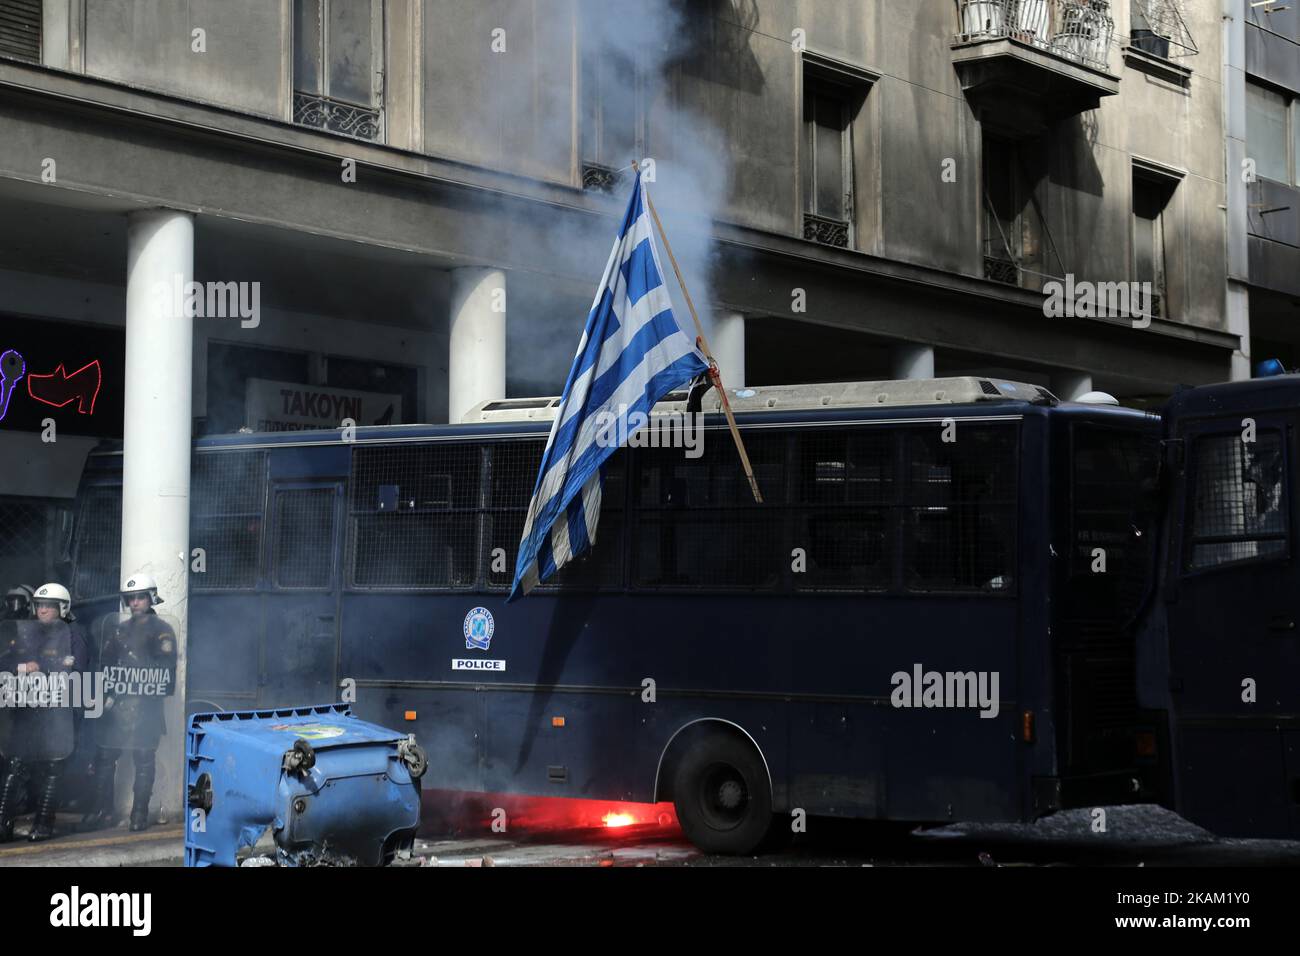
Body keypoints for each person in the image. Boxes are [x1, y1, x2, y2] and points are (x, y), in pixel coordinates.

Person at [81, 573, 176, 833]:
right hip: (118, 706)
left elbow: (166, 674)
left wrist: (138, 669)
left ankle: (139, 813)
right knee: (104, 755)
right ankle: (103, 811)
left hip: (146, 707)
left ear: (151, 598)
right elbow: (106, 663)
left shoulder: (162, 631)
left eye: (140, 597)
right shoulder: (119, 630)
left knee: (144, 758)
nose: (134, 603)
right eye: (130, 598)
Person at [0, 583, 88, 842]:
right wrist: (20, 666)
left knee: (53, 766)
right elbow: (5, 660)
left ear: (63, 608)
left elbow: (79, 672)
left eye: (49, 605)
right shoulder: (28, 633)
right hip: (28, 710)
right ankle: (4, 822)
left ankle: (44, 823)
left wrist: (48, 670)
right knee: (16, 764)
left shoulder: (74, 634)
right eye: (39, 605)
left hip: (57, 711)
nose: (43, 610)